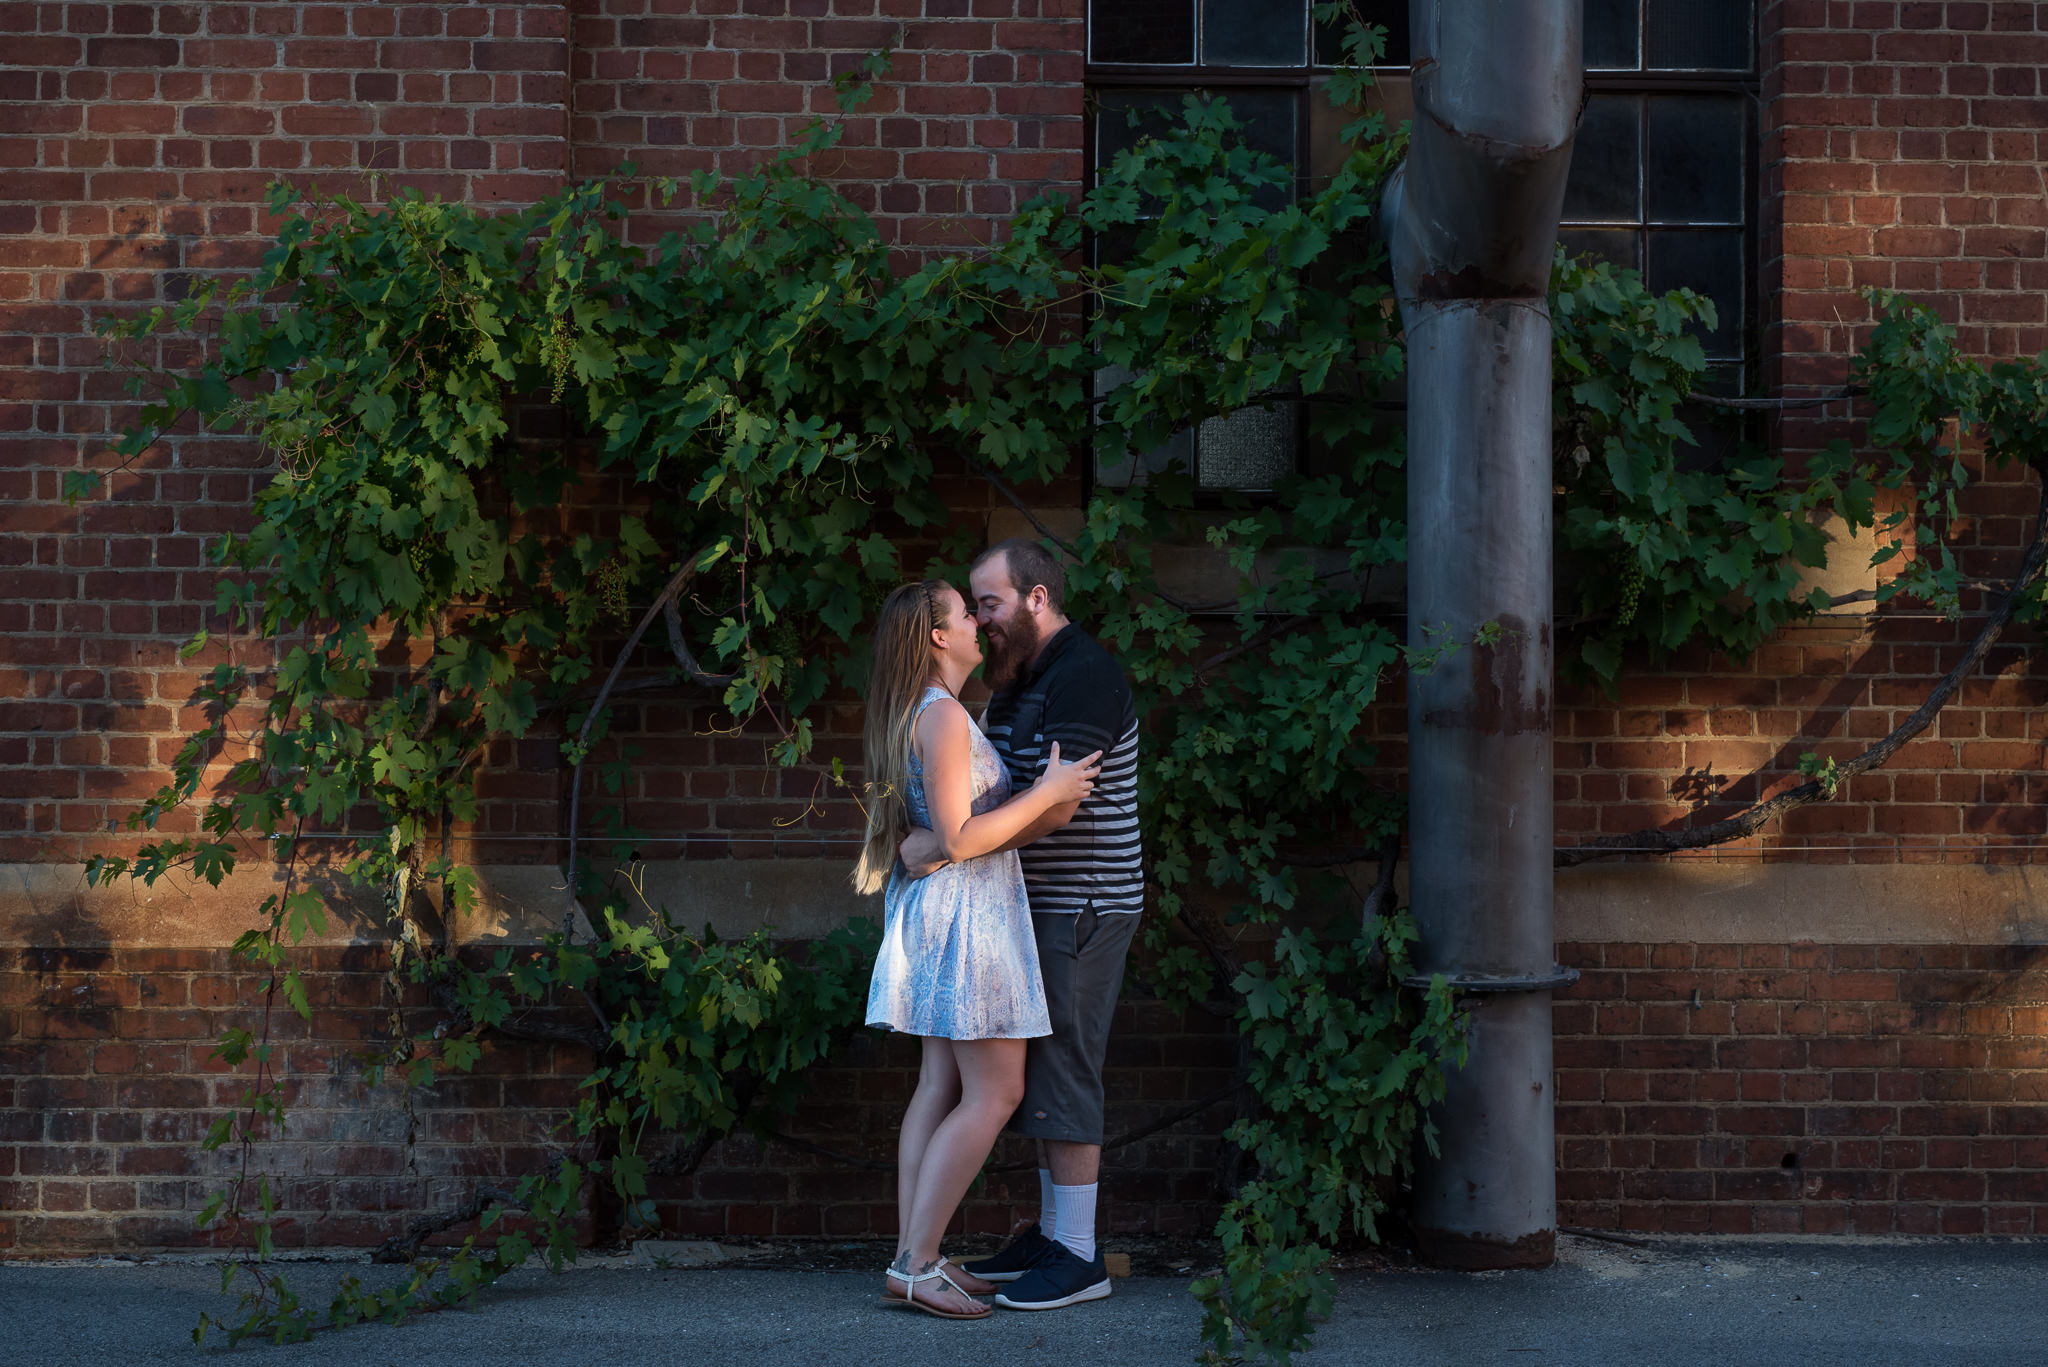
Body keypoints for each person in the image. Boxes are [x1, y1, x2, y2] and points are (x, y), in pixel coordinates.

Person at [899, 539, 1143, 1313]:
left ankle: (1077, 1254)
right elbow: (992, 793)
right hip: (1023, 906)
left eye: (992, 602)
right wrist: (955, 835)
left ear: (1038, 597)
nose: (983, 619)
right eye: (973, 607)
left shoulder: (1085, 675)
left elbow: (1061, 801)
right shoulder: (1011, 683)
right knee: (1034, 1074)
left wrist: (947, 843)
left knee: (1065, 1064)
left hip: (1084, 902)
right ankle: (1048, 1234)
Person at [856, 578, 1103, 1320]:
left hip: (949, 911)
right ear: (937, 636)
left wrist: (930, 842)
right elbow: (963, 837)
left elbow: (938, 835)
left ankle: (914, 1255)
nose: (976, 621)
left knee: (940, 1085)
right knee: (996, 1092)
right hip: (969, 921)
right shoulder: (940, 718)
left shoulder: (941, 714)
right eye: (965, 613)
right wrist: (1049, 788)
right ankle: (916, 1260)